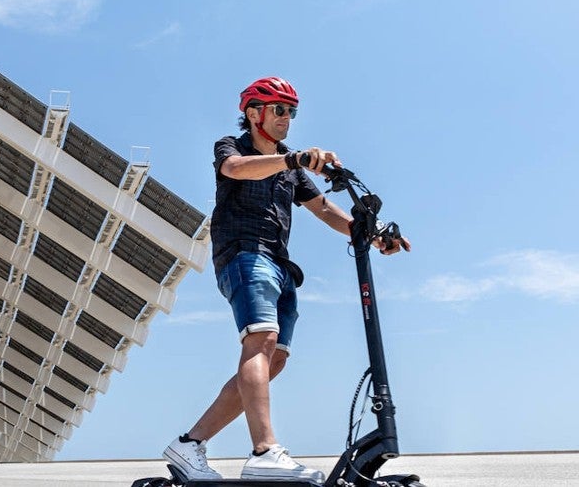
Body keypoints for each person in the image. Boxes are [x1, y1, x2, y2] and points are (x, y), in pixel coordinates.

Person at [163, 77, 410, 484]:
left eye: (292, 112)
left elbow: (325, 209)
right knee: (258, 341)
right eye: (279, 109)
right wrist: (293, 160)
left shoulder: (288, 165)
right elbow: (236, 170)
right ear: (253, 112)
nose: (287, 119)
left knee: (273, 358)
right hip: (245, 254)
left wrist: (369, 232)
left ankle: (190, 444)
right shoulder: (234, 147)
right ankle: (264, 451)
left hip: (280, 264)